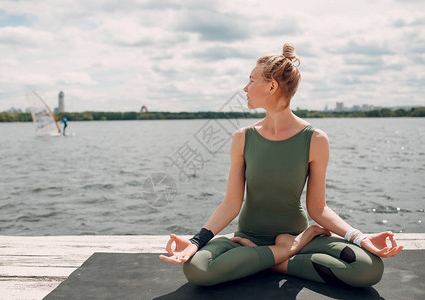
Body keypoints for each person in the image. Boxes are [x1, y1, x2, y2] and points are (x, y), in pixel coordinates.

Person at [159, 43, 403, 288]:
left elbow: (318, 208)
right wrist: (196, 242)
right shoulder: (242, 138)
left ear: (272, 86)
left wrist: (360, 238)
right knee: (197, 269)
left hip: (299, 238)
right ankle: (284, 253)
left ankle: (273, 257)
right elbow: (231, 203)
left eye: (251, 80)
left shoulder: (315, 139)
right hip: (246, 238)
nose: (245, 88)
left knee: (368, 269)